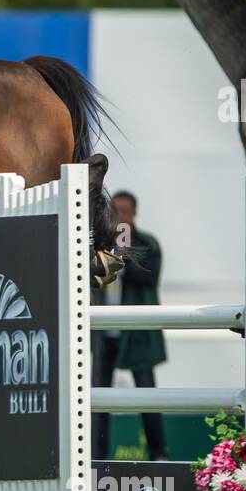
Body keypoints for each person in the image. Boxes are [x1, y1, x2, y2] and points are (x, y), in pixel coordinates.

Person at [94, 191, 168, 461]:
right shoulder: (99, 244)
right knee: (97, 396)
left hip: (136, 331)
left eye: (124, 211)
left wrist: (124, 256)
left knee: (147, 395)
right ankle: (97, 455)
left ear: (134, 213)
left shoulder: (147, 243)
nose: (120, 216)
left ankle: (158, 453)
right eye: (115, 210)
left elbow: (148, 278)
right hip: (104, 333)